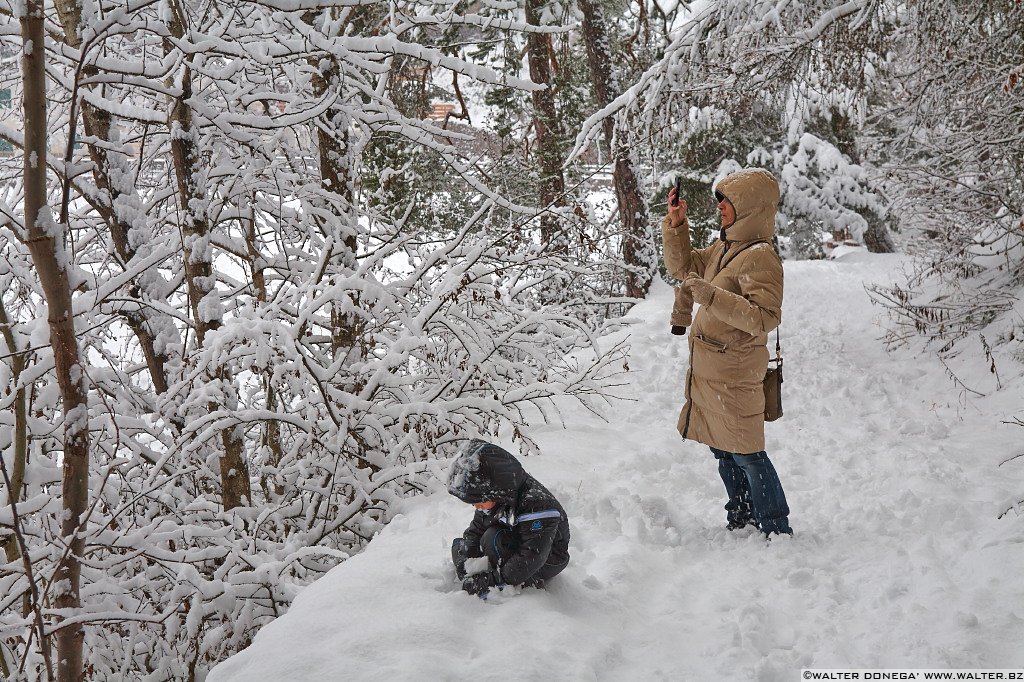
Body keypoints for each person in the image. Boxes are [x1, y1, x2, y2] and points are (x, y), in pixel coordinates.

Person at [662, 167, 793, 538]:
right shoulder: (726, 247)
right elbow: (683, 268)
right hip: (713, 368)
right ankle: (742, 513)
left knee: (748, 453)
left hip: (735, 371)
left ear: (749, 208)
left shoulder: (760, 257)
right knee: (723, 448)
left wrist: (711, 296)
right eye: (720, 202)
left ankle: (775, 525)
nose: (720, 209)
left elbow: (765, 317)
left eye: (727, 203)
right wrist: (677, 224)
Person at [447, 439, 570, 595]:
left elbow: (532, 556)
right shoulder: (498, 498)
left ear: (494, 490)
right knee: (461, 546)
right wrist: (465, 560)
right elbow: (475, 530)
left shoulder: (537, 504)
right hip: (519, 541)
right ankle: (493, 571)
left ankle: (515, 588)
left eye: (478, 501)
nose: (476, 506)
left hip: (547, 558)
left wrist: (493, 580)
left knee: (493, 538)